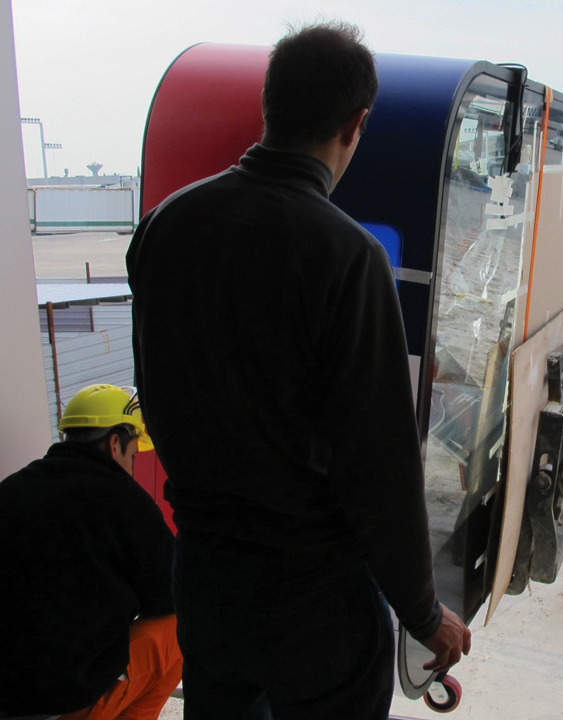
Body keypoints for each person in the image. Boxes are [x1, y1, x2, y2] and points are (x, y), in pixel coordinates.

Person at [126, 21, 470, 719]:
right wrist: (423, 610)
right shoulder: (347, 257)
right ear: (356, 125)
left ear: (269, 106)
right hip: (313, 599)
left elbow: (158, 393)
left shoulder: (164, 228)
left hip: (207, 580)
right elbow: (377, 463)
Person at [0, 384, 180, 719]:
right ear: (115, 443)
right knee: (179, 627)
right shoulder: (124, 499)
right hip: (62, 700)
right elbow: (169, 595)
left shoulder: (10, 488)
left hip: (7, 695)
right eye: (132, 454)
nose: (131, 463)